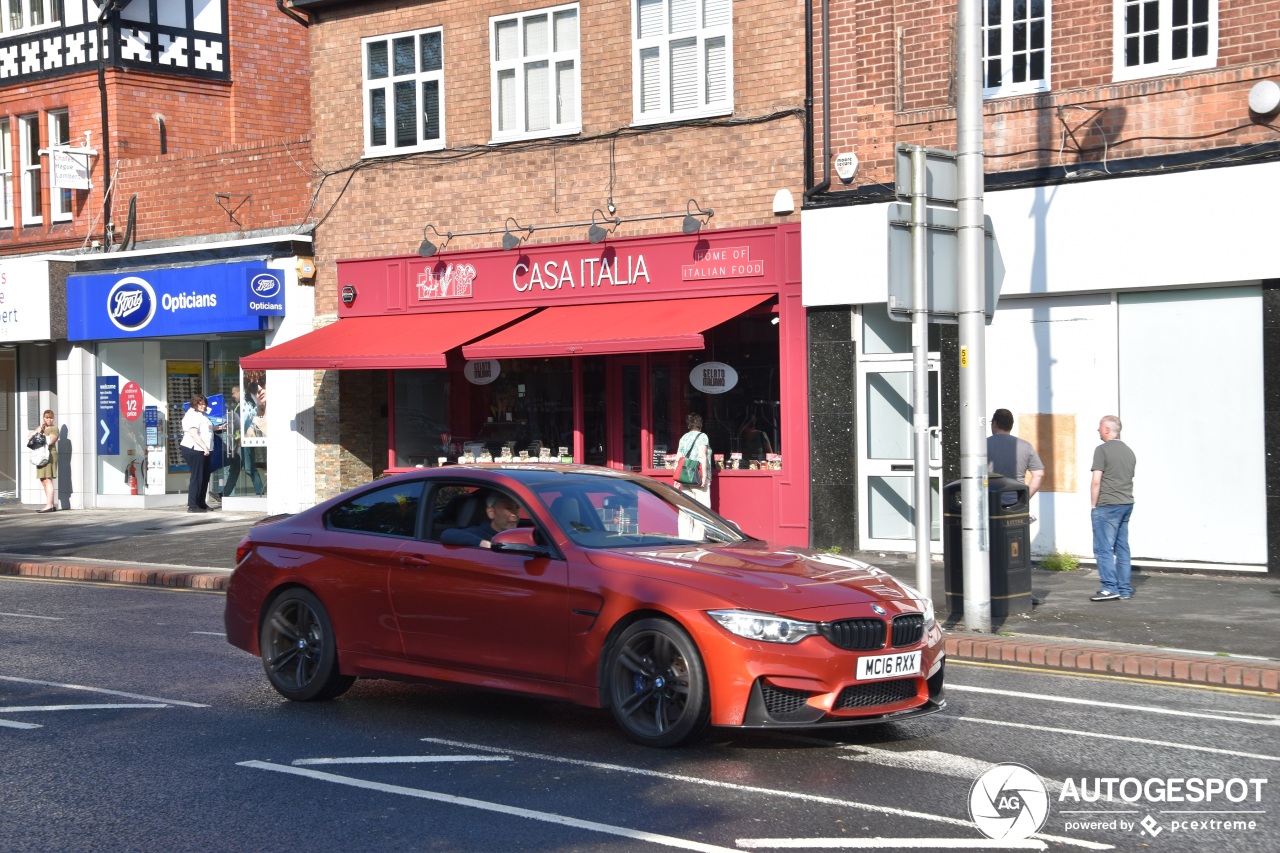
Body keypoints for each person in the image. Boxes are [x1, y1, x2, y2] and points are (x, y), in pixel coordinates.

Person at [1090, 414, 1137, 602]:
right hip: (1126, 503)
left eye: (1100, 427)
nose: (1098, 430)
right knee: (1122, 547)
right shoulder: (1129, 452)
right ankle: (1124, 589)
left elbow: (1096, 481)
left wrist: (1094, 505)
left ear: (1107, 430)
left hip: (1107, 505)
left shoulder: (1101, 450)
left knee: (1103, 548)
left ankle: (1109, 587)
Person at [214, 386, 264, 498]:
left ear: (240, 392)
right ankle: (224, 494)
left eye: (234, 393)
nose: (232, 396)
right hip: (237, 442)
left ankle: (259, 493)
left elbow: (247, 423)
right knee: (234, 469)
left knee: (249, 468)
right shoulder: (238, 406)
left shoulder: (246, 406)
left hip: (244, 441)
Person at [987, 408, 1044, 500]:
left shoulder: (982, 445)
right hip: (1016, 504)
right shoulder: (1026, 446)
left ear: (994, 424)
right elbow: (1039, 474)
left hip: (990, 503)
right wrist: (1024, 499)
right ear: (1011, 425)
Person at [440, 492, 521, 548]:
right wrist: (484, 543)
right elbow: (447, 534)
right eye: (508, 508)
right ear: (491, 512)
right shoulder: (479, 533)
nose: (514, 514)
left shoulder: (521, 534)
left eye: (517, 508)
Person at [180, 394, 214, 513]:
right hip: (195, 448)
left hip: (203, 449)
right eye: (200, 403)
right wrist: (205, 447)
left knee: (204, 476)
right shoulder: (192, 415)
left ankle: (201, 503)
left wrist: (219, 427)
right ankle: (193, 505)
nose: (203, 405)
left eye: (204, 403)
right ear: (194, 404)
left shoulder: (202, 415)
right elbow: (194, 434)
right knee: (197, 476)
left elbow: (206, 430)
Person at [674, 412, 712, 508]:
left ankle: (684, 524)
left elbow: (678, 458)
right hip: (698, 476)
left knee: (687, 509)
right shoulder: (703, 436)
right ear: (701, 425)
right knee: (703, 509)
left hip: (685, 476)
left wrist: (677, 478)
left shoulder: (684, 438)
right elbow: (701, 456)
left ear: (689, 426)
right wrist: (704, 477)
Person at [30, 409, 59, 513]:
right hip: (40, 456)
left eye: (51, 418)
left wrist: (39, 436)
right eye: (47, 418)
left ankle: (50, 505)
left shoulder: (54, 429)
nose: (49, 420)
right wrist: (39, 429)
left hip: (49, 455)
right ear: (43, 418)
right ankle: (49, 504)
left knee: (48, 480)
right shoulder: (42, 428)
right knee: (43, 480)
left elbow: (50, 441)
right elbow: (30, 437)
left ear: (53, 418)